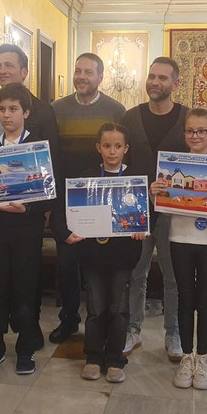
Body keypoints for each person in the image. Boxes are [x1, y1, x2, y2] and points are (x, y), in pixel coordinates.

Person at [0, 43, 58, 348]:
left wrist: (42, 208)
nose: (2, 70)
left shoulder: (44, 110)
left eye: (8, 65)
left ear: (24, 71)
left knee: (26, 276)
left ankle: (28, 329)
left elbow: (51, 160)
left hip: (27, 213)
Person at [52, 123, 144, 383]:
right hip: (92, 256)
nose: (112, 151)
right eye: (107, 146)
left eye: (117, 146)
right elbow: (66, 212)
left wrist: (142, 229)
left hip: (123, 257)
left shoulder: (135, 180)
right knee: (95, 309)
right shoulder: (86, 178)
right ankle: (93, 357)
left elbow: (146, 215)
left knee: (118, 309)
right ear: (98, 148)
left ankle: (115, 359)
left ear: (126, 148)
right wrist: (67, 233)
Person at [150, 109, 207, 390]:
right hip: (180, 238)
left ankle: (203, 358)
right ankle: (187, 357)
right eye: (190, 131)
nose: (195, 136)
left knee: (205, 299)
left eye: (201, 131)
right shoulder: (173, 166)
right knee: (185, 298)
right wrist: (155, 193)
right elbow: (163, 207)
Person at [49, 53, 125, 344]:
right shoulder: (57, 109)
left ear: (100, 77)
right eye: (77, 71)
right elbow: (51, 153)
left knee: (98, 264)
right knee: (67, 264)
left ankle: (103, 321)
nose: (81, 77)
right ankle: (69, 319)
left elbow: (120, 152)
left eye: (88, 72)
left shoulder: (115, 109)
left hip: (101, 199)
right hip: (66, 199)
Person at [121, 56, 188, 361]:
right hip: (137, 209)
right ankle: (132, 328)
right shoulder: (130, 117)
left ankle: (173, 333)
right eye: (151, 76)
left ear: (175, 83)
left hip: (174, 212)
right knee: (136, 273)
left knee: (174, 277)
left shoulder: (187, 119)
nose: (155, 82)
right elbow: (120, 161)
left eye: (162, 78)